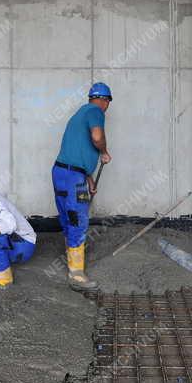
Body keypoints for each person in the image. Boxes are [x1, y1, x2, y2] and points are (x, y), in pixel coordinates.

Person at [52, 82, 112, 292]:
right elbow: (96, 138)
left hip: (61, 172)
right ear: (105, 101)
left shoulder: (80, 113)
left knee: (69, 217)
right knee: (79, 218)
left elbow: (76, 152)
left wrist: (89, 179)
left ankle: (70, 259)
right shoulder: (96, 111)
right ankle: (76, 274)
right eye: (107, 102)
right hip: (72, 177)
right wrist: (104, 151)